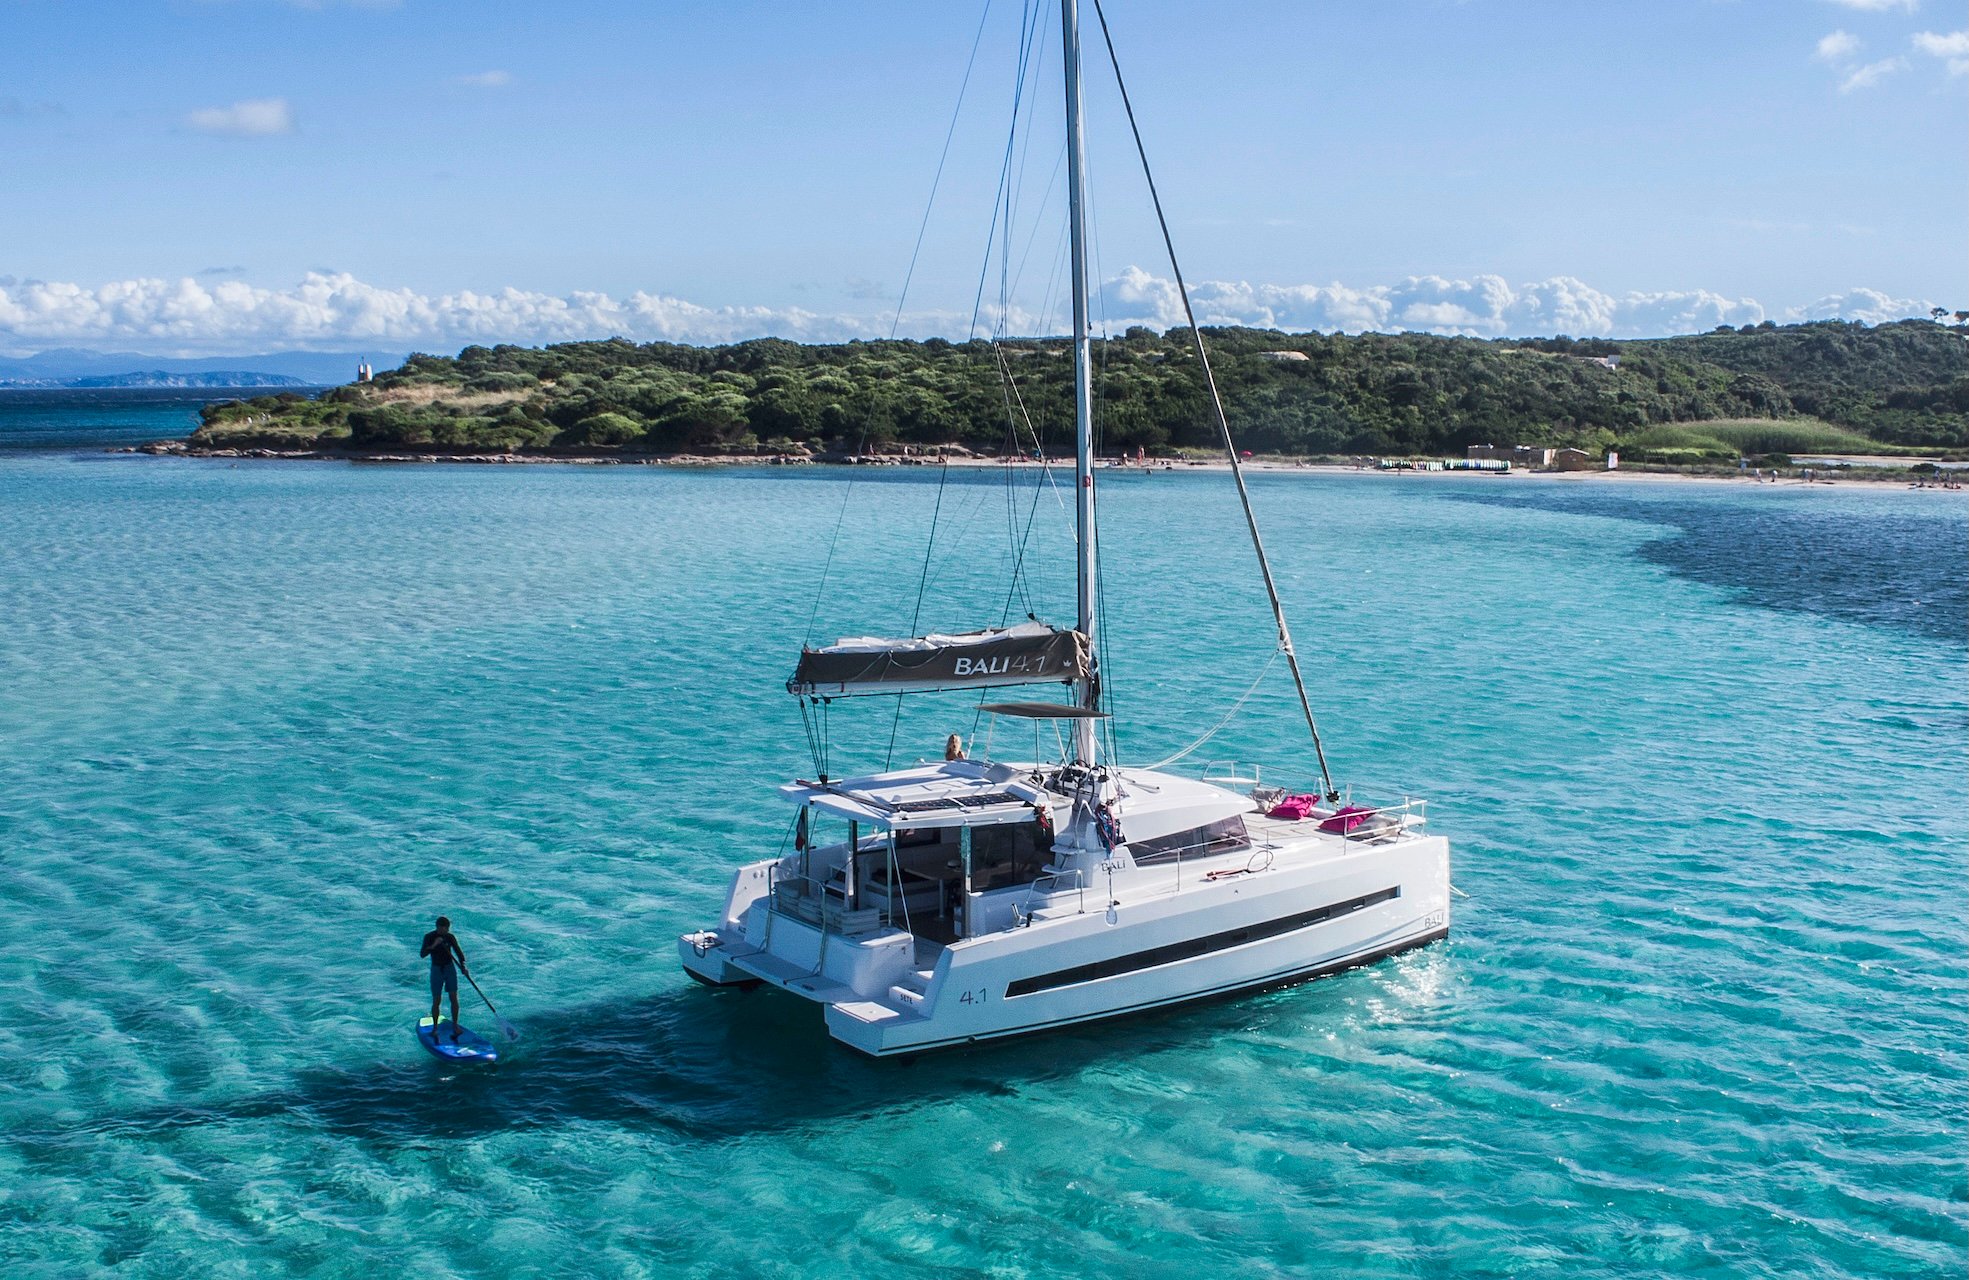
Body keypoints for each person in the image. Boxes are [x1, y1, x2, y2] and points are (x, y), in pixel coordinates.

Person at [421, 916, 469, 1038]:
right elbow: (422, 954)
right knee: (437, 999)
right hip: (437, 970)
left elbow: (458, 952)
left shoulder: (450, 937)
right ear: (437, 927)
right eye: (442, 928)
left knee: (454, 997)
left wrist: (463, 966)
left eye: (447, 928)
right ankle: (435, 1028)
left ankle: (455, 1026)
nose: (445, 931)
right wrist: (433, 946)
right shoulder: (429, 936)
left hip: (449, 968)